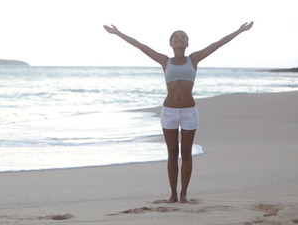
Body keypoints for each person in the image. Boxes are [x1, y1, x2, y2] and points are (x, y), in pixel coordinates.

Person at [104, 21, 253, 203]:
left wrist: (239, 30)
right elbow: (141, 46)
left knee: (187, 153)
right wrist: (118, 33)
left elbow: (217, 44)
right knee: (172, 153)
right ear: (171, 43)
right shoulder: (164, 61)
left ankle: (184, 195)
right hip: (169, 112)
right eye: (176, 37)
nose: (179, 39)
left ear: (187, 43)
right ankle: (173, 194)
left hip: (189, 111)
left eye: (183, 37)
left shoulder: (194, 59)